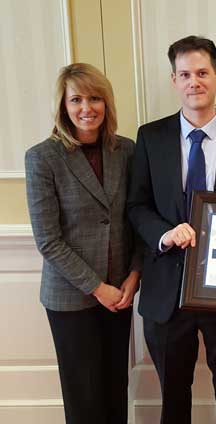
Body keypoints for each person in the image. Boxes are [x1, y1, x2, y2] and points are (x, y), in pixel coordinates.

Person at [127, 35, 216, 424]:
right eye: (185, 74)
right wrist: (164, 233)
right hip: (165, 290)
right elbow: (135, 206)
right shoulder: (150, 137)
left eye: (202, 72)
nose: (195, 82)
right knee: (173, 396)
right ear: (173, 80)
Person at [24, 63, 142, 424]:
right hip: (71, 298)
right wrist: (97, 288)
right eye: (76, 99)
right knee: (84, 395)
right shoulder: (43, 157)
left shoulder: (127, 151)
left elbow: (137, 217)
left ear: (106, 104)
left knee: (114, 387)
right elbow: (48, 240)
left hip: (120, 293)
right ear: (63, 106)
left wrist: (135, 273)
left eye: (94, 98)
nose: (86, 107)